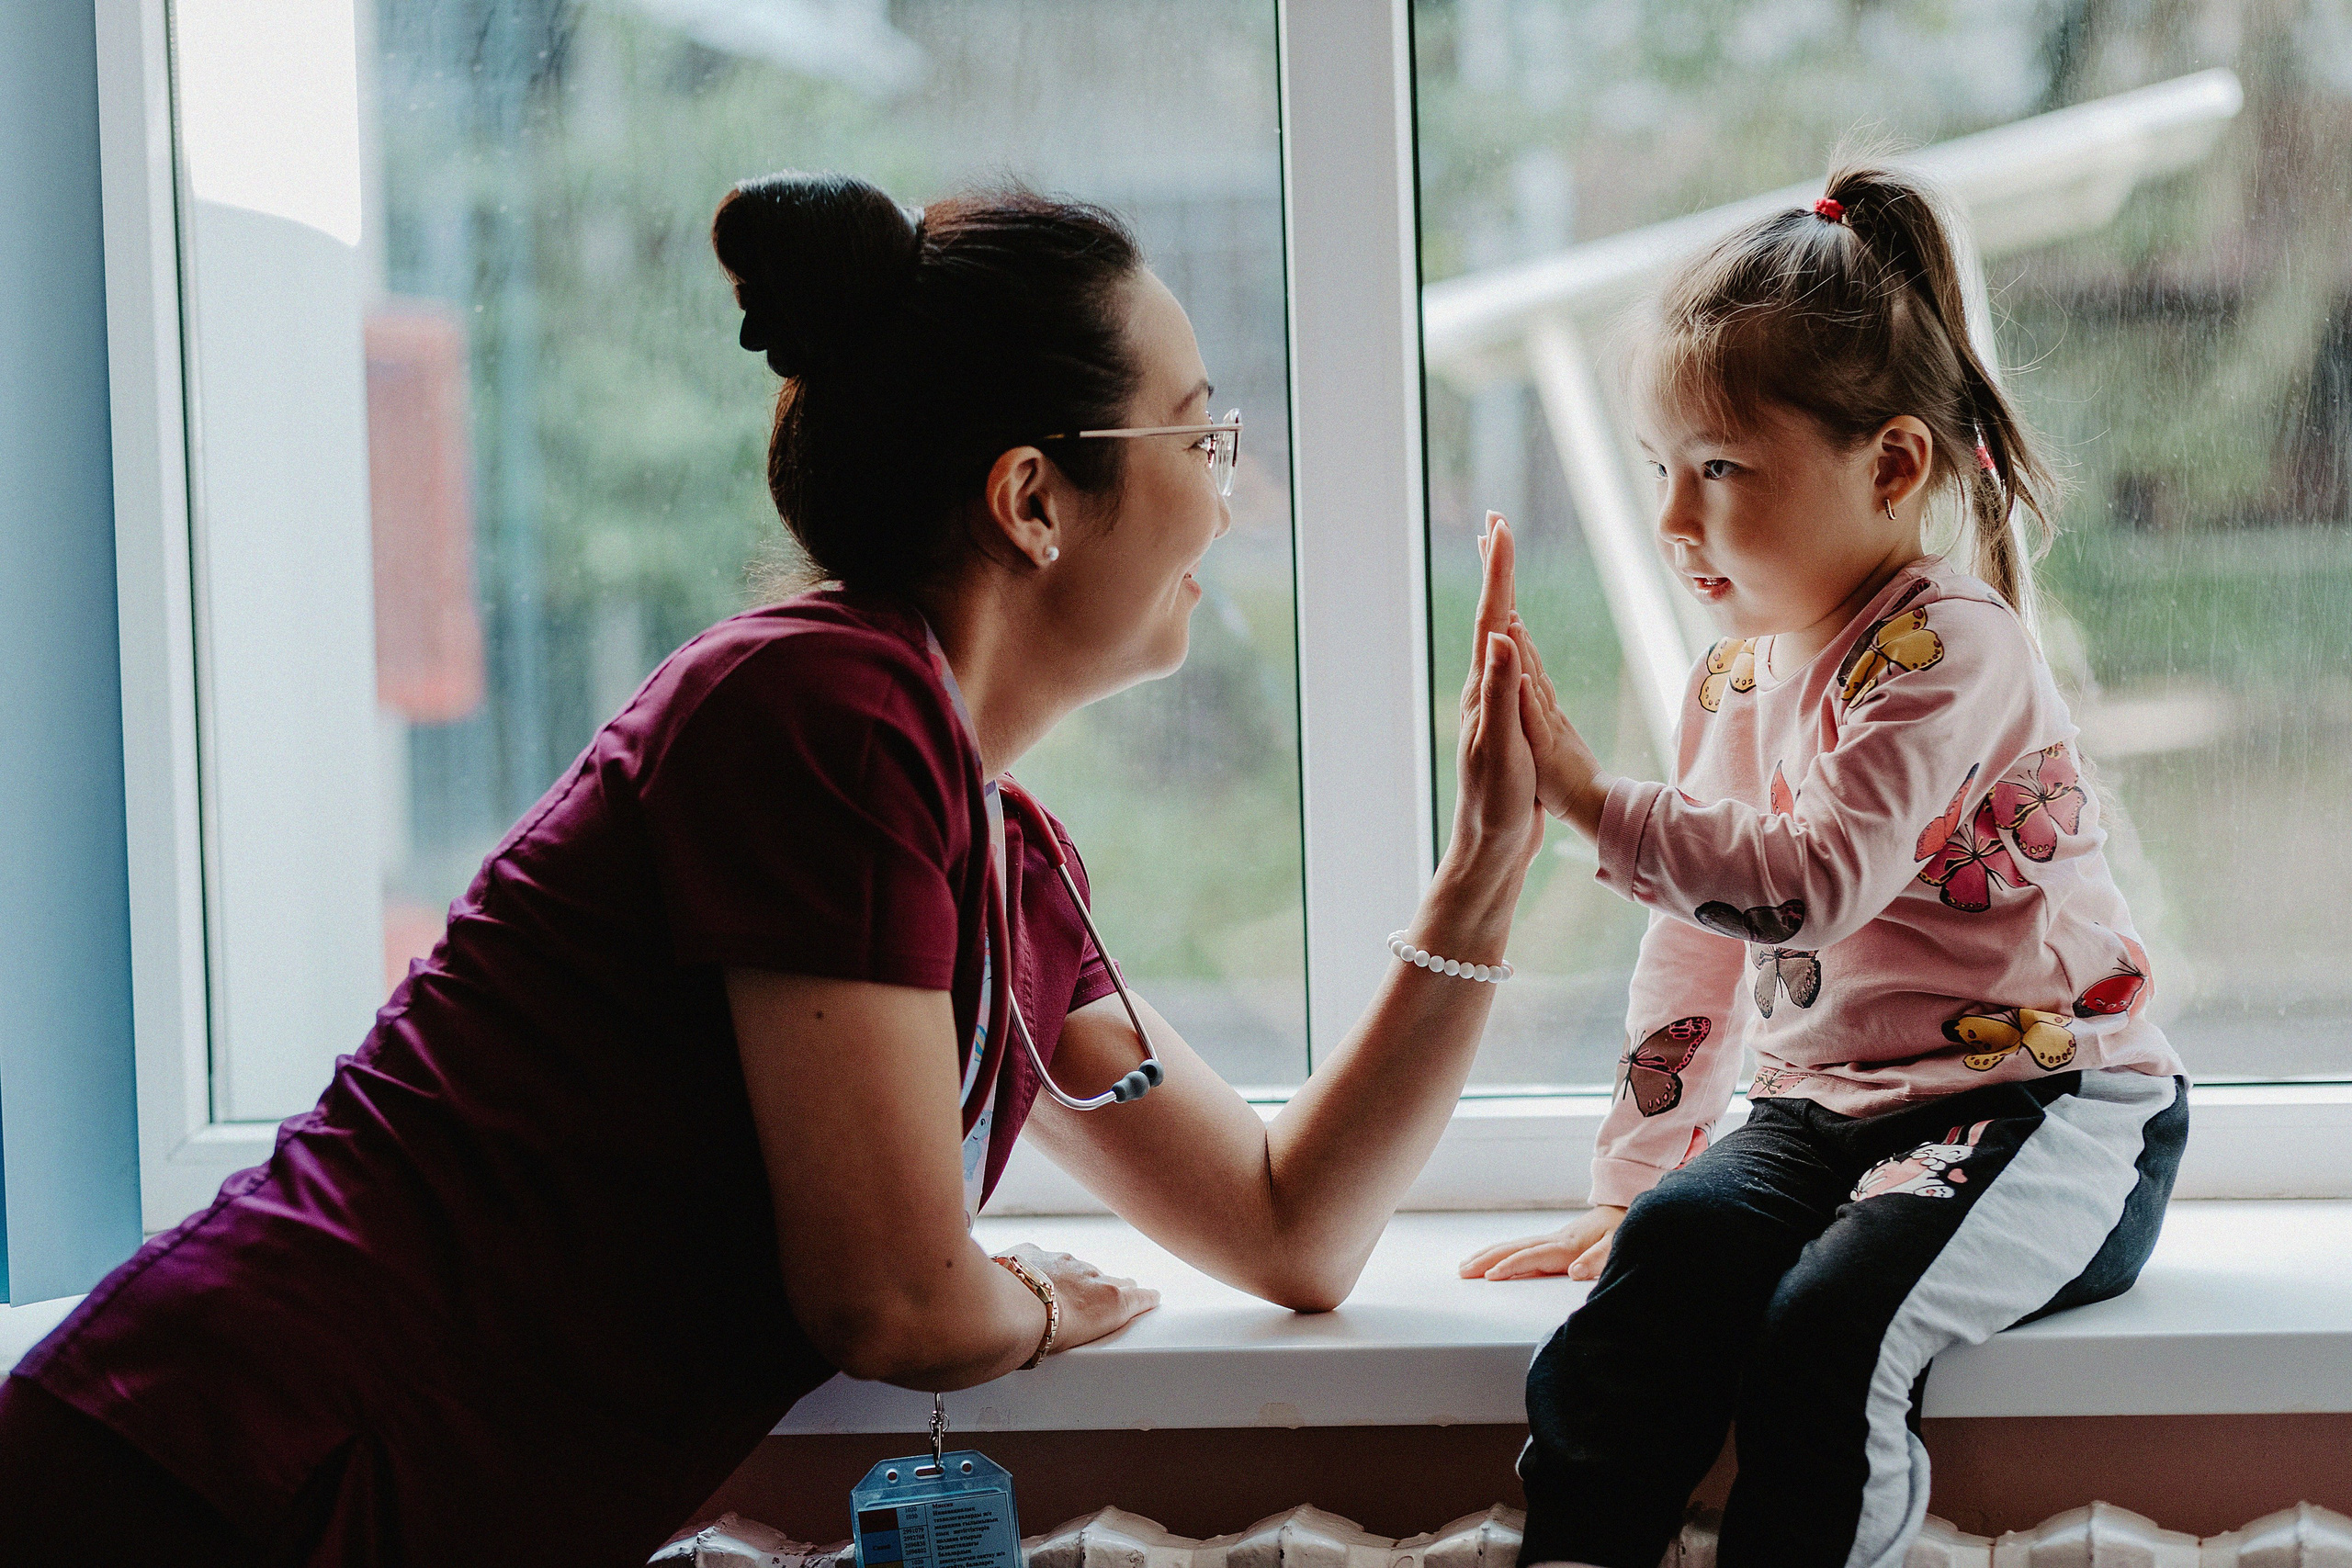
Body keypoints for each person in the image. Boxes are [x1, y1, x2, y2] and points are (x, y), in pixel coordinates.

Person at [0, 175, 1548, 1565]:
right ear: (1032, 500)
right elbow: (894, 1301)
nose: (1228, 489)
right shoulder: (821, 709)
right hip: (219, 1468)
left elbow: (1287, 1229)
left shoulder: (998, 856)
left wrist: (1482, 874)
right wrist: (1032, 1306)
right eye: (1200, 435)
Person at [1457, 161, 2189, 1568]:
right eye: (1660, 468)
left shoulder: (1950, 646)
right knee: (1656, 1280)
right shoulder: (1736, 675)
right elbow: (1698, 933)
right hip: (1827, 1113)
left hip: (2040, 1107)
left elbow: (1808, 883)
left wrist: (1586, 798)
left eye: (1721, 470)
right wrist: (1635, 1178)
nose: (1673, 520)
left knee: (1826, 1336)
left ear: (1893, 466)